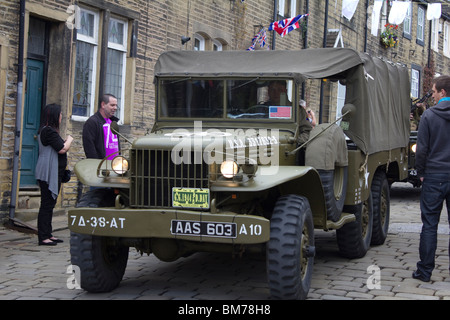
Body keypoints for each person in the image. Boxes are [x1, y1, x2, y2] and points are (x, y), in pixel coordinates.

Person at [413, 75, 450, 282]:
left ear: (443, 93)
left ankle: (424, 271)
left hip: (434, 176)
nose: (432, 95)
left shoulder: (429, 116)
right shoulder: (428, 114)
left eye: (434, 91)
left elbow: (422, 151)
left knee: (429, 225)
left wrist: (421, 173)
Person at [35, 104, 73, 246]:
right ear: (54, 116)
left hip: (53, 171)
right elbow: (62, 149)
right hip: (48, 172)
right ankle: (43, 236)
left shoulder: (48, 131)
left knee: (50, 204)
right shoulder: (48, 131)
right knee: (46, 204)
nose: (61, 117)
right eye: (60, 114)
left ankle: (48, 234)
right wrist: (69, 139)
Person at [82, 94, 120, 159]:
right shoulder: (92, 122)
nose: (115, 108)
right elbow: (89, 149)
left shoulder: (113, 122)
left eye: (116, 105)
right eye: (112, 105)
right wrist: (97, 165)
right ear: (103, 105)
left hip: (115, 166)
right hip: (101, 166)